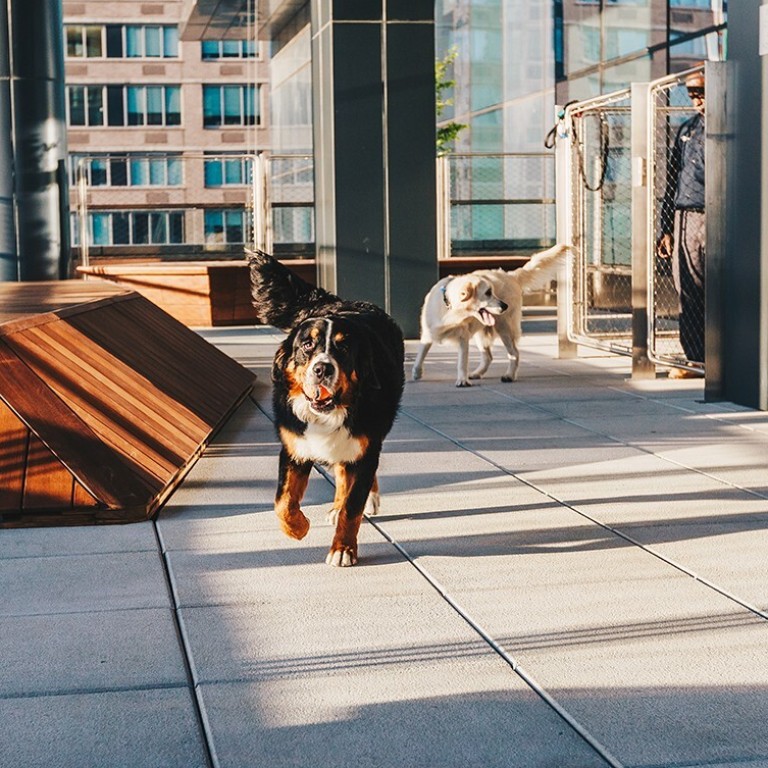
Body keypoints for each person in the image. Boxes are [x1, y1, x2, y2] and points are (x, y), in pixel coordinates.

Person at [656, 71, 706, 379]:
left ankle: (716, 354)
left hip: (715, 212)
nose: (697, 99)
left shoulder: (731, 123)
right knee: (686, 286)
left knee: (715, 286)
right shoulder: (688, 127)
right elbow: (672, 178)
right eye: (693, 94)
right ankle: (695, 356)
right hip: (684, 213)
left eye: (702, 92)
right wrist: (666, 227)